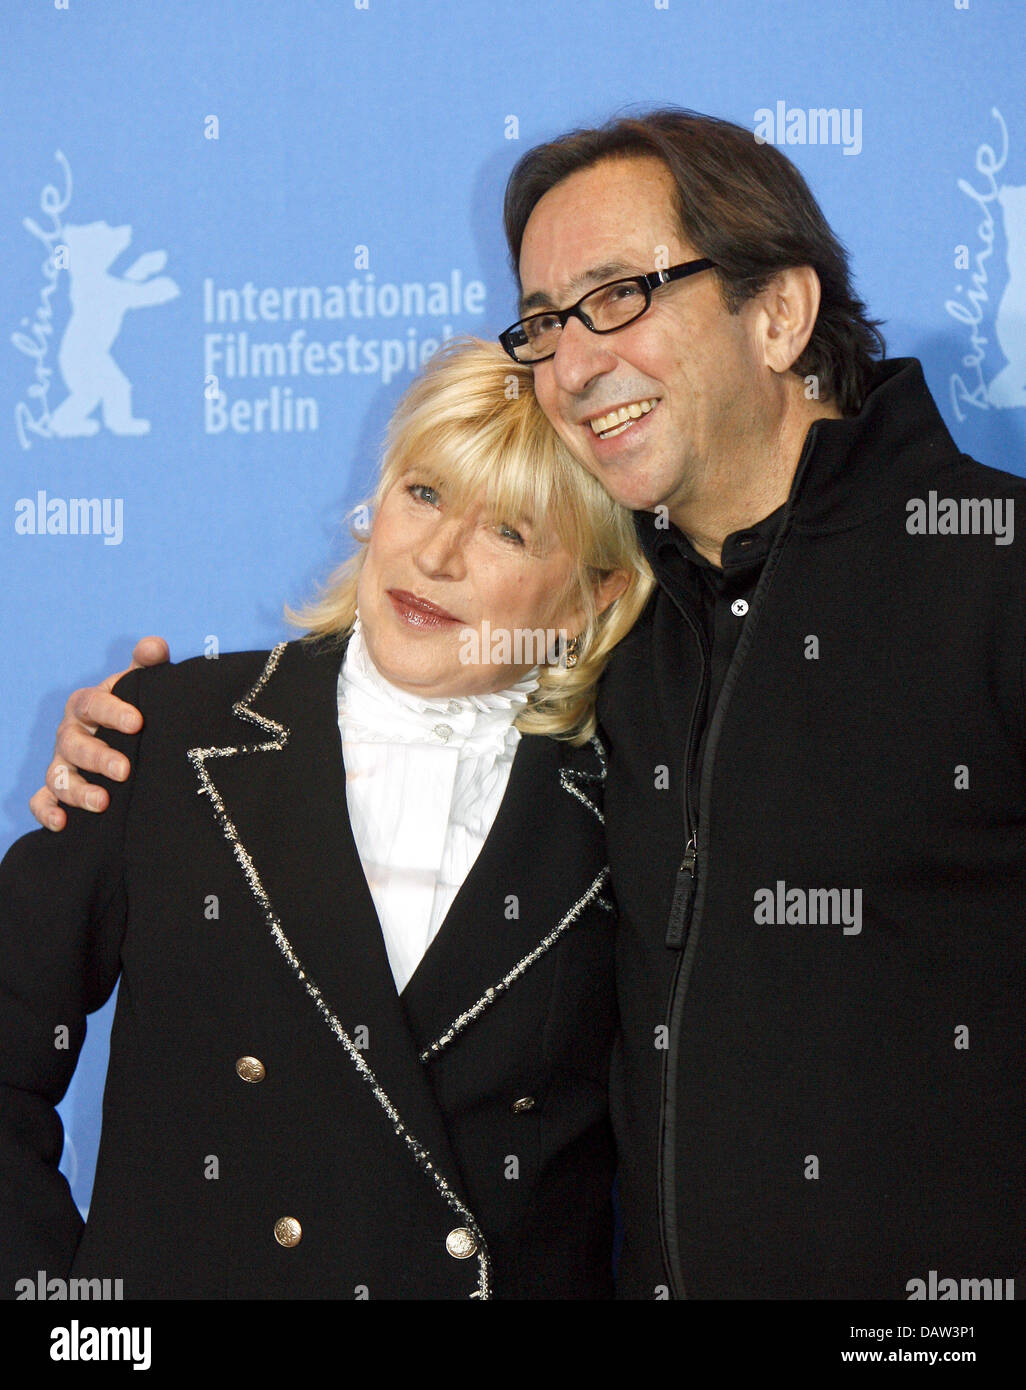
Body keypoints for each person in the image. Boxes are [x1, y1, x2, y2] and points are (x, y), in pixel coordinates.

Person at [33, 108, 1026, 1300]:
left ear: (779, 313)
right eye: (547, 319)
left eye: (619, 295)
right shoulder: (642, 645)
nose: (572, 359)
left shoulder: (991, 568)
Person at [0, 337, 653, 1301]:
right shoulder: (169, 733)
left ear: (592, 596)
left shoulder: (634, 810)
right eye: (423, 493)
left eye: (508, 531)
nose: (434, 556)